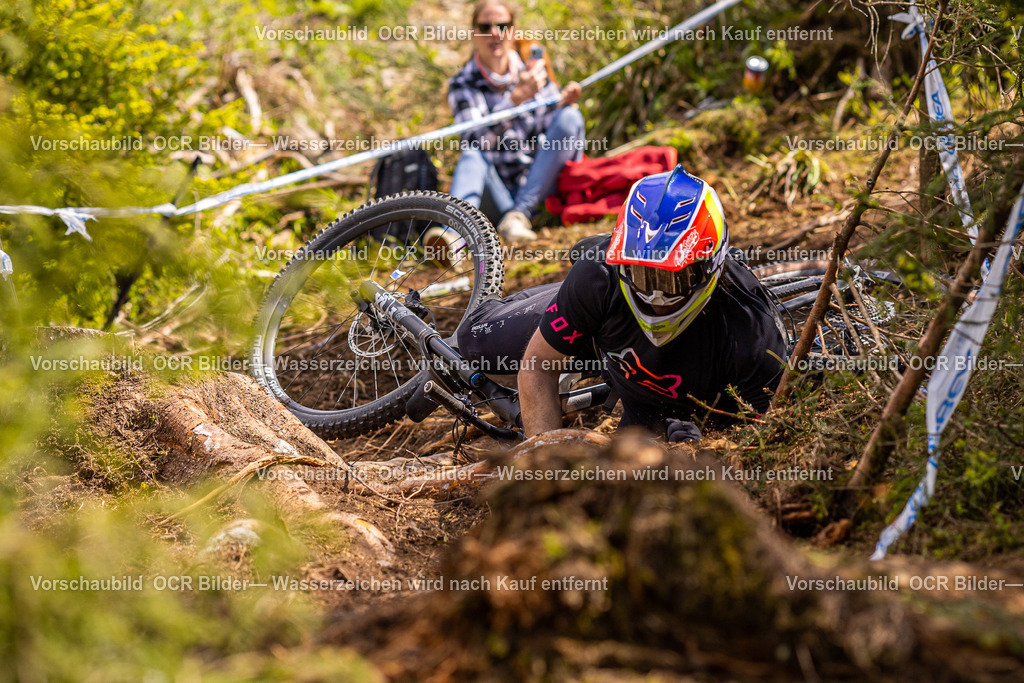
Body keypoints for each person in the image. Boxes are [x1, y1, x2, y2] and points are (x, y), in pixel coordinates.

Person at [456, 166, 789, 441]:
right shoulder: (601, 273)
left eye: (671, 280)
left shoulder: (751, 330)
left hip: (651, 405)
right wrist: (545, 457)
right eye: (642, 275)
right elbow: (538, 365)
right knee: (472, 341)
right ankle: (562, 308)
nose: (656, 297)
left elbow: (755, 439)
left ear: (711, 266)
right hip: (602, 326)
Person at [446, 0, 584, 243]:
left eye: (502, 25)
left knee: (570, 116)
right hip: (498, 195)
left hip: (538, 190)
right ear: (473, 32)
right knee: (471, 155)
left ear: (513, 29)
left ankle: (520, 216)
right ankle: (452, 238)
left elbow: (556, 129)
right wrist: (515, 100)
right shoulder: (462, 84)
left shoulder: (532, 70)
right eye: (485, 26)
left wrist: (564, 103)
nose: (494, 33)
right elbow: (476, 143)